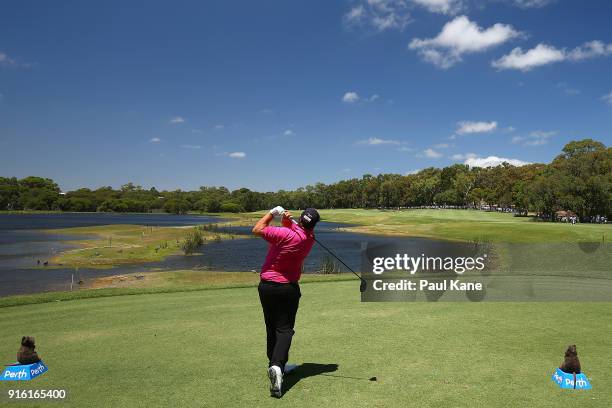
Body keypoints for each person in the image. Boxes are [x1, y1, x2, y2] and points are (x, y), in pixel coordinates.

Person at [252, 206, 320, 398]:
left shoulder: (284, 234)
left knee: (272, 328)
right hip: (287, 288)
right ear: (313, 225)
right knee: (285, 329)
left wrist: (273, 213)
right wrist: (287, 221)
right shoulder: (310, 238)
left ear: (301, 219)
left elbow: (257, 229)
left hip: (266, 287)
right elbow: (296, 231)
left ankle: (276, 365)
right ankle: (277, 365)